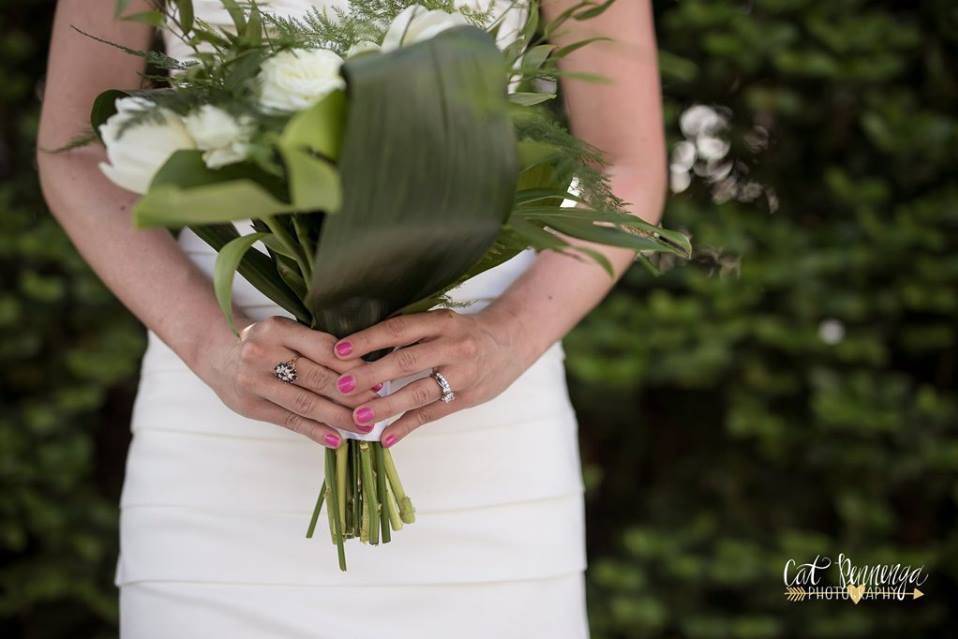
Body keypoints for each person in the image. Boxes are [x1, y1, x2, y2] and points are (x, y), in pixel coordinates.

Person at [37, 1, 665, 637]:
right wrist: (210, 344)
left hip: (486, 448)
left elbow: (624, 159)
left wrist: (509, 336)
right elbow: (74, 149)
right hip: (217, 447)